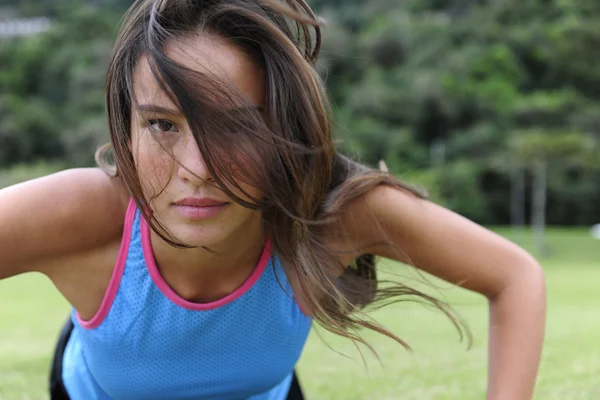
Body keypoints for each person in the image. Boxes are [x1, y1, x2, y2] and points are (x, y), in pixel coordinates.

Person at [0, 0, 546, 399]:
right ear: (126, 128)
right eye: (163, 124)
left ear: (286, 130)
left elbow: (515, 276)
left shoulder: (330, 213)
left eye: (236, 128)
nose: (198, 169)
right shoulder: (83, 212)